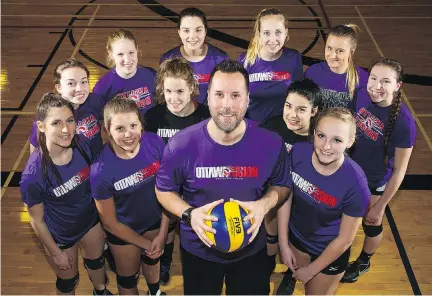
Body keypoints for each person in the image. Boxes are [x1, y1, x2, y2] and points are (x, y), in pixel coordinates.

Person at [155, 60, 291, 295]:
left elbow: (282, 185)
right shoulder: (181, 145)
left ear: (248, 99)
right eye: (219, 94)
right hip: (199, 251)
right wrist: (189, 214)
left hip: (251, 251)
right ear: (208, 98)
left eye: (236, 95)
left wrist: (263, 205)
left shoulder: (271, 142)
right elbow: (164, 190)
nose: (227, 105)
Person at [20, 93, 112, 295]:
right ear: (41, 127)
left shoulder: (81, 144)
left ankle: (100, 290)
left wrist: (105, 222)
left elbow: (93, 188)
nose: (65, 129)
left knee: (96, 262)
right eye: (56, 123)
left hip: (90, 222)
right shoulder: (33, 176)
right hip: (61, 235)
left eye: (70, 120)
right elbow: (37, 221)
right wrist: (56, 252)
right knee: (68, 282)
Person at [277, 108, 370, 295]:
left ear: (350, 142)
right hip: (297, 240)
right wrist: (283, 243)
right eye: (321, 135)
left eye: (337, 140)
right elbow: (285, 197)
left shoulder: (356, 184)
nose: (326, 146)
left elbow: (345, 240)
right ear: (313, 133)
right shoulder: (298, 153)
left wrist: (311, 271)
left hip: (329, 254)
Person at [341, 58, 416, 283]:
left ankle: (364, 260)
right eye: (373, 78)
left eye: (385, 81)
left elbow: (400, 172)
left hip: (373, 182)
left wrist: (381, 205)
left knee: (371, 223)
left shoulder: (404, 123)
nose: (377, 86)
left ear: (398, 85)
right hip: (349, 172)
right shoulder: (362, 93)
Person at [90, 98, 168, 296]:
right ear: (107, 130)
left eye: (133, 125)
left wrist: (162, 235)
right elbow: (109, 223)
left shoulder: (155, 144)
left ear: (141, 124)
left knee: (153, 261)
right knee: (127, 278)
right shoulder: (101, 171)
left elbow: (170, 191)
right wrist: (146, 245)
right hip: (123, 230)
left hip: (155, 223)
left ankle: (154, 292)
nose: (128, 134)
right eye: (119, 128)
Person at [144, 57, 210, 285]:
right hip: (166, 186)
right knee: (169, 224)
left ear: (192, 87)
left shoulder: (206, 117)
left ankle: (200, 263)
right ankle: (165, 261)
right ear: (162, 88)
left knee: (197, 226)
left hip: (197, 185)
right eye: (168, 91)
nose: (174, 98)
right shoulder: (153, 117)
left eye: (180, 91)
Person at [261, 78, 319, 278]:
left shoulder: (318, 141)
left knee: (297, 247)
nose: (292, 115)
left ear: (314, 111)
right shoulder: (273, 126)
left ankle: (290, 275)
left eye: (301, 110)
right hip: (277, 194)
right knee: (271, 236)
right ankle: (266, 267)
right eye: (288, 106)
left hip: (304, 201)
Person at [237, 8, 303, 123]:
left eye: (278, 32)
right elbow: (238, 100)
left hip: (283, 128)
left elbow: (298, 95)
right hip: (252, 127)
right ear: (259, 34)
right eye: (267, 33)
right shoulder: (245, 61)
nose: (273, 40)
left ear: (286, 32)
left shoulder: (293, 58)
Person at [29, 58, 104, 156]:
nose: (79, 89)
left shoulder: (95, 101)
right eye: (71, 83)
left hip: (96, 162)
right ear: (58, 88)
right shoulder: (48, 116)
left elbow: (104, 124)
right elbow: (35, 148)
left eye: (84, 81)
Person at [160, 7, 229, 105]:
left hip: (210, 117)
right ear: (179, 32)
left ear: (205, 31)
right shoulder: (168, 59)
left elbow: (225, 95)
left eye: (198, 30)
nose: (192, 36)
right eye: (186, 30)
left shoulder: (220, 59)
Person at [93, 29, 156, 117]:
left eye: (131, 52)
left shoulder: (150, 74)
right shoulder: (102, 88)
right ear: (110, 53)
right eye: (120, 54)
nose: (127, 59)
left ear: (137, 49)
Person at [305, 24, 368, 108]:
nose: (332, 55)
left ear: (351, 52)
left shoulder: (363, 79)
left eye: (340, 51)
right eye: (329, 48)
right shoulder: (312, 72)